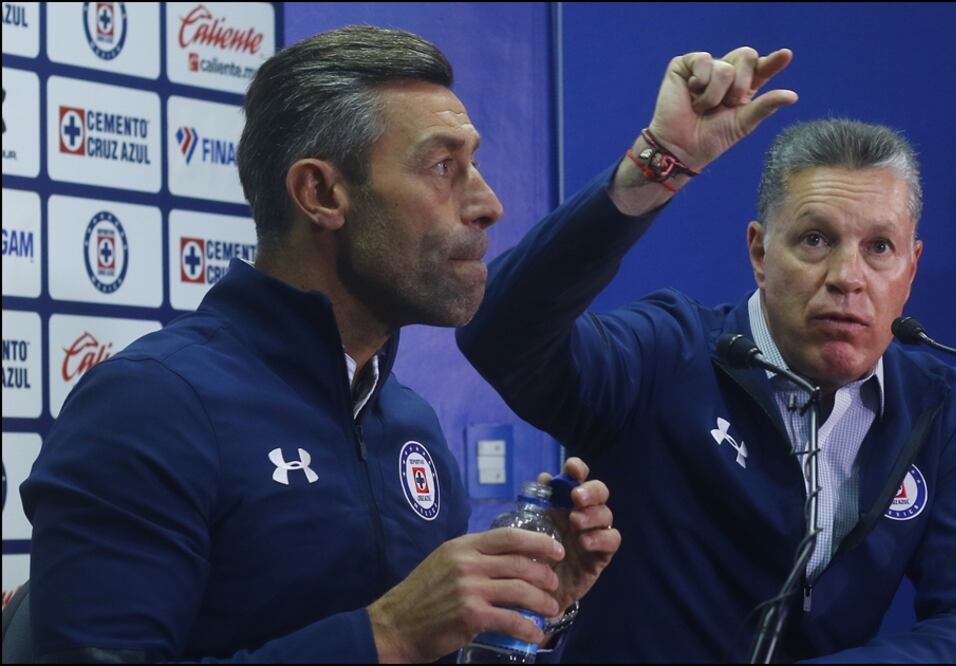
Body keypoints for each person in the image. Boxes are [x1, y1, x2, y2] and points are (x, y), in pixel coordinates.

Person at [19, 26, 620, 663]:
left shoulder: (408, 422)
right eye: (443, 167)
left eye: (473, 164)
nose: (488, 204)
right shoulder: (150, 406)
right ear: (320, 193)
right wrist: (384, 634)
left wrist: (530, 607)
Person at [457, 47, 956, 662]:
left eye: (879, 248)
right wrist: (656, 165)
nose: (847, 276)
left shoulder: (933, 402)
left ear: (910, 269)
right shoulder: (666, 353)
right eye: (815, 239)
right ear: (759, 253)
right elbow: (496, 331)